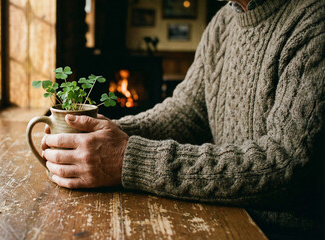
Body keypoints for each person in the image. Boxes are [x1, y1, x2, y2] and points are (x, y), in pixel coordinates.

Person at [41, 0, 325, 238]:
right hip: (221, 215)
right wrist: (102, 136)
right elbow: (188, 111)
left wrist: (129, 158)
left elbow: (288, 164)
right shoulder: (223, 22)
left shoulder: (314, 22)